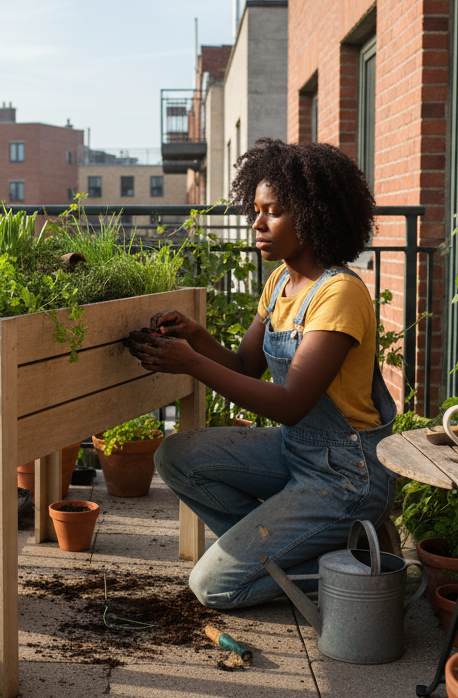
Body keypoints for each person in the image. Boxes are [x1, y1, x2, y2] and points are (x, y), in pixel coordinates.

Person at [124, 138, 397, 610]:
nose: (256, 223)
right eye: (256, 209)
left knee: (213, 586)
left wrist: (189, 362)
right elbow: (243, 365)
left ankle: (348, 567)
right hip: (297, 453)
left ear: (313, 215)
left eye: (272, 212)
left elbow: (292, 403)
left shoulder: (339, 294)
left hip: (347, 475)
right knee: (176, 455)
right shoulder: (279, 284)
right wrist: (196, 337)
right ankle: (284, 547)